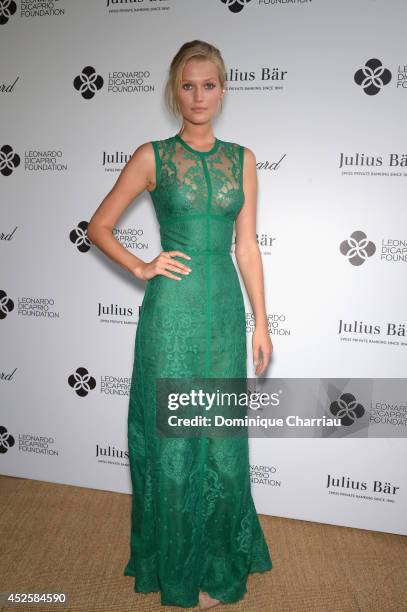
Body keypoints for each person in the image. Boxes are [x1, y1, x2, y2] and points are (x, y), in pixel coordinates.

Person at [87, 39, 273, 610]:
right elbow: (99, 226)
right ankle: (176, 565)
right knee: (172, 439)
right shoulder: (152, 156)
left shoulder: (243, 157)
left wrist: (262, 321)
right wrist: (144, 266)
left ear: (223, 89)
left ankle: (218, 559)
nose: (199, 96)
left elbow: (246, 246)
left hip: (222, 318)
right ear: (175, 91)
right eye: (188, 86)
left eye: (209, 85)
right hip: (171, 317)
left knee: (220, 440)